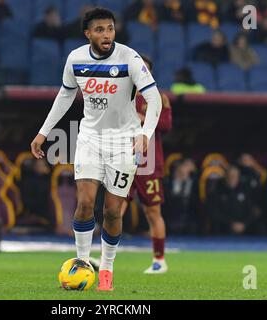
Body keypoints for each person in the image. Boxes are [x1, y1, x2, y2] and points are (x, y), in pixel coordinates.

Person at [30, 8, 162, 291]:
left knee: (113, 212)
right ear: (88, 33)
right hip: (89, 138)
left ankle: (107, 270)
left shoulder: (129, 57)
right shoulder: (75, 59)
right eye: (100, 30)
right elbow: (65, 96)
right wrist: (43, 132)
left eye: (110, 29)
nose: (106, 35)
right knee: (85, 203)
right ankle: (82, 262)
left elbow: (155, 99)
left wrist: (145, 135)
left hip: (124, 142)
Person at [90, 55, 172, 274]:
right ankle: (104, 259)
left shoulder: (158, 97)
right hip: (123, 161)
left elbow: (165, 124)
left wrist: (141, 117)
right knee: (114, 210)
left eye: (145, 69)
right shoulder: (119, 95)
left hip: (149, 163)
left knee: (153, 212)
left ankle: (159, 260)